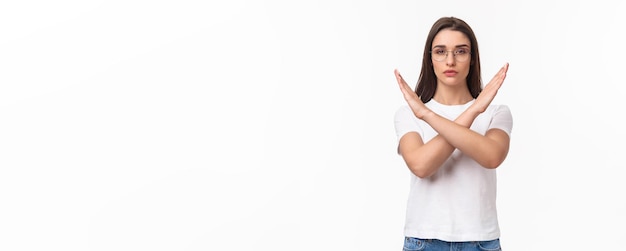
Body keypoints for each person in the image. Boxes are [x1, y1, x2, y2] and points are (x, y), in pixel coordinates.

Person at [393, 16, 512, 251]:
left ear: (472, 58)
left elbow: (492, 157)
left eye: (460, 51)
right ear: (430, 59)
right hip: (423, 241)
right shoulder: (408, 114)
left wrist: (430, 115)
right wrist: (473, 111)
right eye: (440, 51)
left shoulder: (496, 113)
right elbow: (421, 165)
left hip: (481, 242)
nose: (450, 60)